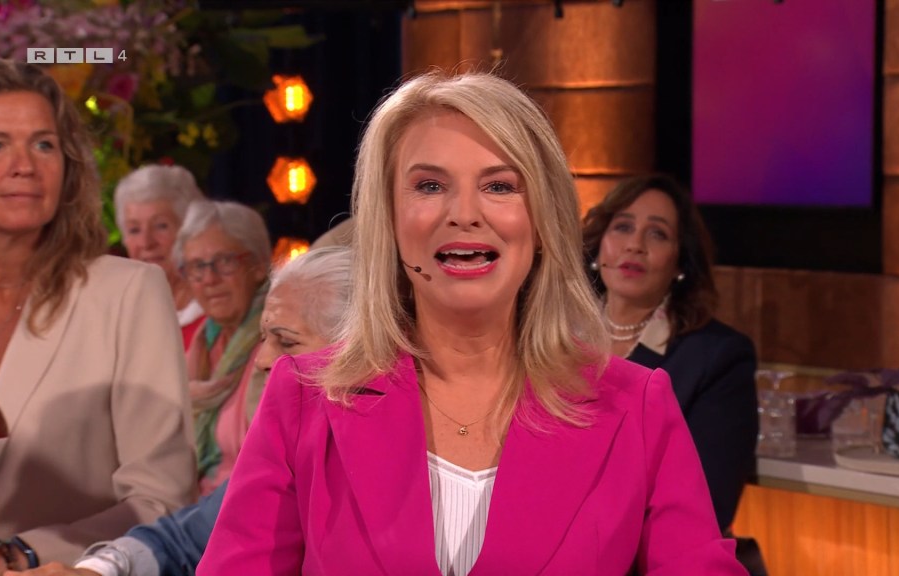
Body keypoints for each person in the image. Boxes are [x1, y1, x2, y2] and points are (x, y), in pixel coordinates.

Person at [199, 71, 745, 575]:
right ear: (389, 219)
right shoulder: (304, 398)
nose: (463, 214)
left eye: (500, 186)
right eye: (429, 186)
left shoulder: (636, 406)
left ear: (543, 222)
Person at [0, 57, 196, 573]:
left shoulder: (127, 293)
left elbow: (162, 498)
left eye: (44, 145)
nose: (24, 165)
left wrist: (19, 553)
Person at [11, 246, 354, 576]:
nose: (262, 360)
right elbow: (181, 539)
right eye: (263, 338)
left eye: (287, 341)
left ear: (358, 349)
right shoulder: (286, 450)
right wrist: (95, 569)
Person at [581, 173, 758, 533]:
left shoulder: (718, 358)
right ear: (599, 247)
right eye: (623, 227)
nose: (635, 245)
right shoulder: (551, 337)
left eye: (657, 234)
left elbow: (706, 507)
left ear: (680, 265)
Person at [173, 199, 272, 496]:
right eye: (197, 267)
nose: (210, 279)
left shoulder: (277, 344)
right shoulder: (202, 345)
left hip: (247, 499)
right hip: (197, 501)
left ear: (258, 265)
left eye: (225, 261)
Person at [114, 164, 205, 349]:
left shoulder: (216, 316)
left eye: (161, 226)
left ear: (190, 230)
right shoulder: (116, 314)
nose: (146, 242)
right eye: (134, 230)